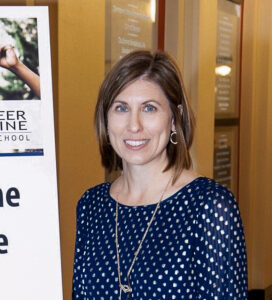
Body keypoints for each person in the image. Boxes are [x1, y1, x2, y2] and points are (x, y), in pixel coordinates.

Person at [73, 50, 247, 299]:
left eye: (149, 108)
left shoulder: (209, 206)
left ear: (175, 119)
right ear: (106, 118)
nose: (134, 125)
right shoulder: (91, 205)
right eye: (121, 108)